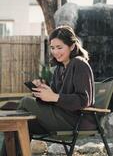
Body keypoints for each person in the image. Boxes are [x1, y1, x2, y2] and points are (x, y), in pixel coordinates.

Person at [0, 25, 95, 155]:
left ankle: (7, 113)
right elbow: (53, 99)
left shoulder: (79, 64)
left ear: (72, 46)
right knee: (19, 124)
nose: (55, 52)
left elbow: (84, 100)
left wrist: (54, 97)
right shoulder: (59, 69)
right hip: (58, 115)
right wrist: (42, 91)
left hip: (74, 120)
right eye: (52, 48)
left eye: (59, 47)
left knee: (26, 102)